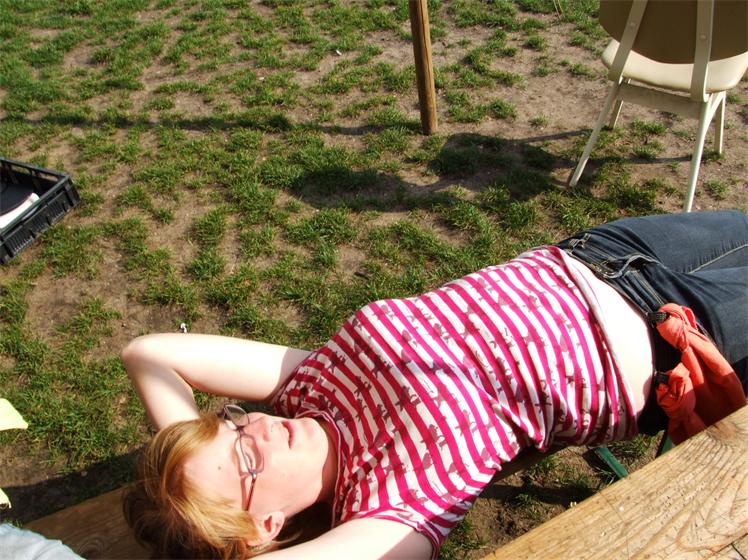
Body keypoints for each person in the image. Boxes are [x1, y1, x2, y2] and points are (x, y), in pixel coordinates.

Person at [121, 210, 748, 560]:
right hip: (682, 335)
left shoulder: (306, 386)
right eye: (245, 463)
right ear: (263, 525)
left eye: (230, 425)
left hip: (604, 253)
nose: (255, 428)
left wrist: (191, 451)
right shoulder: (387, 513)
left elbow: (147, 353)